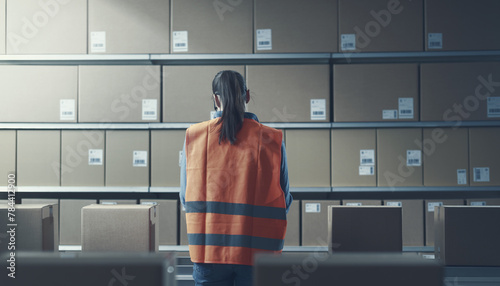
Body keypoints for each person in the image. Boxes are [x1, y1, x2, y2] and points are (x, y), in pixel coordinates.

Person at [180, 70, 293, 286]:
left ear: (215, 99)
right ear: (247, 96)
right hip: (258, 254)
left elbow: (186, 198)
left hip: (208, 251)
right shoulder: (271, 139)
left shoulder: (194, 136)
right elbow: (284, 200)